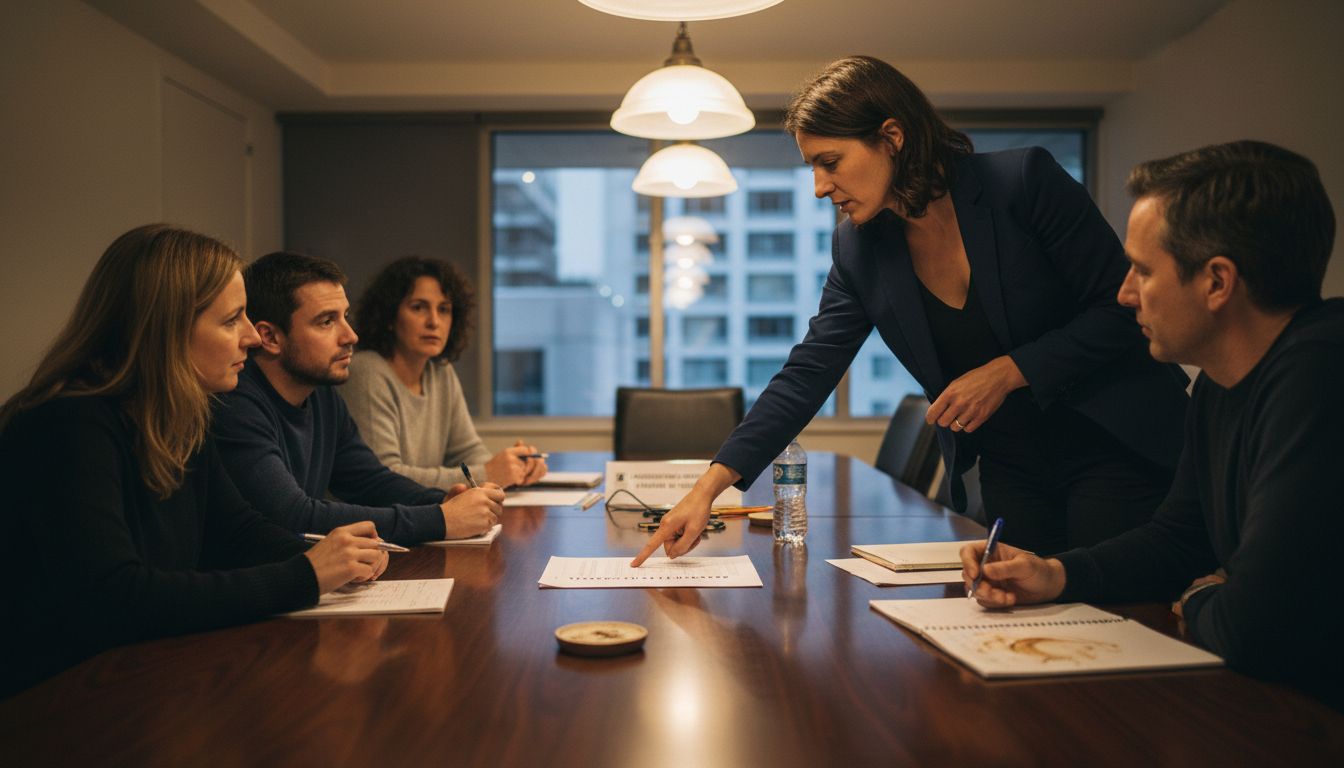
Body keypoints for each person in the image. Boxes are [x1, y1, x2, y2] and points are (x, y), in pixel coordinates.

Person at [634, 55, 1189, 565]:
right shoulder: (860, 248)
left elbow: (1120, 311)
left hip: (1112, 441)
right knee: (1022, 624)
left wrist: (1008, 371)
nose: (820, 187)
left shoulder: (1022, 183)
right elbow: (809, 370)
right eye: (812, 167)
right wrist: (708, 489)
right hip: (1012, 462)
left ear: (891, 137)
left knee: (1117, 624)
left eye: (830, 162)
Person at [962, 140, 1341, 707]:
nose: (1124, 294)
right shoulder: (1221, 380)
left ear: (1217, 282)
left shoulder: (1320, 373)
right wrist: (1053, 574)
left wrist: (1202, 602)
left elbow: (1257, 629)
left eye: (1142, 270)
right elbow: (1181, 539)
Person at [0, 225, 388, 696]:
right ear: (165, 329)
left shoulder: (182, 414)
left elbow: (235, 530)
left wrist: (332, 558)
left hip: (141, 672)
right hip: (57, 698)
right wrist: (306, 574)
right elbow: (114, 596)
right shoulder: (67, 424)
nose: (250, 337)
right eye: (232, 321)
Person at [211, 251, 503, 546]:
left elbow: (368, 480)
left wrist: (443, 500)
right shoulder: (235, 402)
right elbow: (292, 515)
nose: (350, 336)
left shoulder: (322, 393)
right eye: (326, 321)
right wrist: (440, 519)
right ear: (270, 338)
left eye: (345, 317)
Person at [342, 256, 547, 490]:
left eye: (444, 309)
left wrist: (514, 467)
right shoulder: (367, 371)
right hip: (367, 524)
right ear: (390, 317)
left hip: (417, 516)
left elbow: (465, 451)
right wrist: (487, 474)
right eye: (418, 307)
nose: (434, 321)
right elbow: (385, 478)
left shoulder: (440, 372)